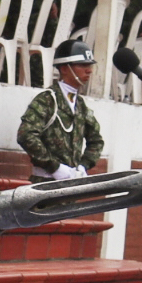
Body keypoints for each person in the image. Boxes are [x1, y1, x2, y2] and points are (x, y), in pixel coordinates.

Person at [16, 37, 104, 180]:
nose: (89, 71)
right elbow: (25, 135)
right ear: (64, 68)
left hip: (71, 184)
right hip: (45, 183)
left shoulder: (79, 104)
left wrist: (83, 166)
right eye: (82, 65)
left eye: (90, 65)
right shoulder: (47, 100)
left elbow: (96, 140)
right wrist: (54, 167)